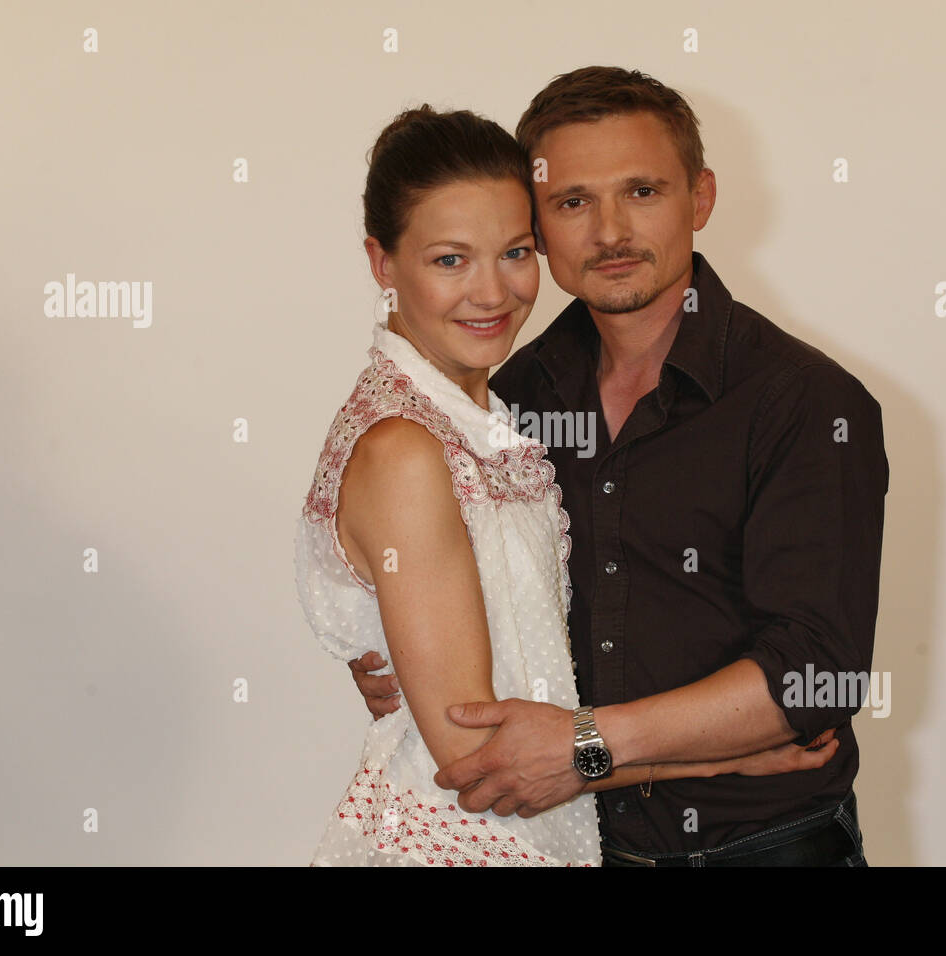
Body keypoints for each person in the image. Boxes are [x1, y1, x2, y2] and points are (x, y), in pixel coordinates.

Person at [349, 68, 889, 867]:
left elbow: (815, 675)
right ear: (536, 221)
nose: (609, 231)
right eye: (572, 202)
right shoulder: (507, 402)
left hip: (766, 849)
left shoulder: (804, 403)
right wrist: (395, 651)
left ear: (700, 199)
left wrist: (586, 745)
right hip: (574, 850)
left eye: (641, 191)